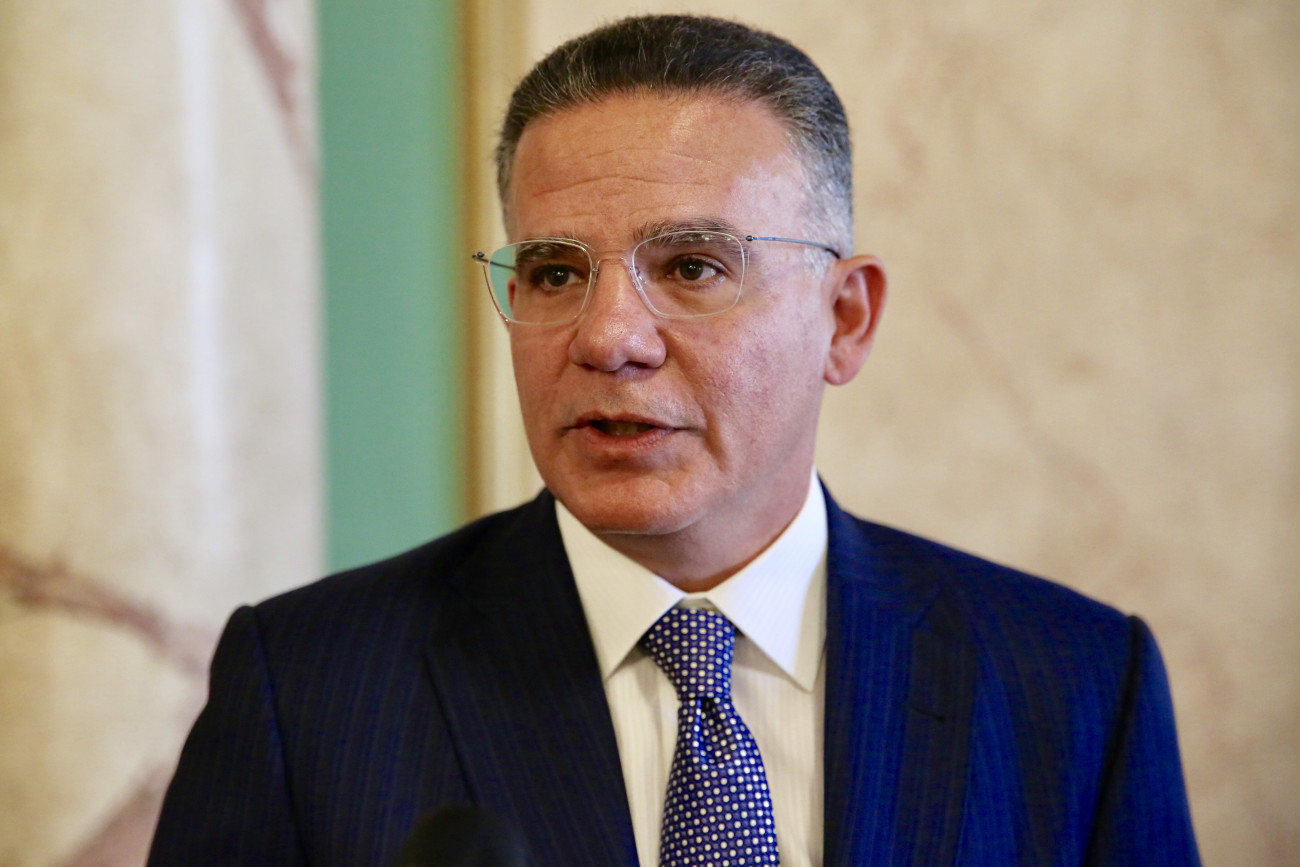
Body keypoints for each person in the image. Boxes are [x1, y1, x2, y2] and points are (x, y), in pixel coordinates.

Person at [147, 15, 1200, 867]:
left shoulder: (1071, 683)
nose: (608, 338)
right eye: (553, 273)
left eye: (693, 267)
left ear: (844, 320)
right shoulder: (309, 690)